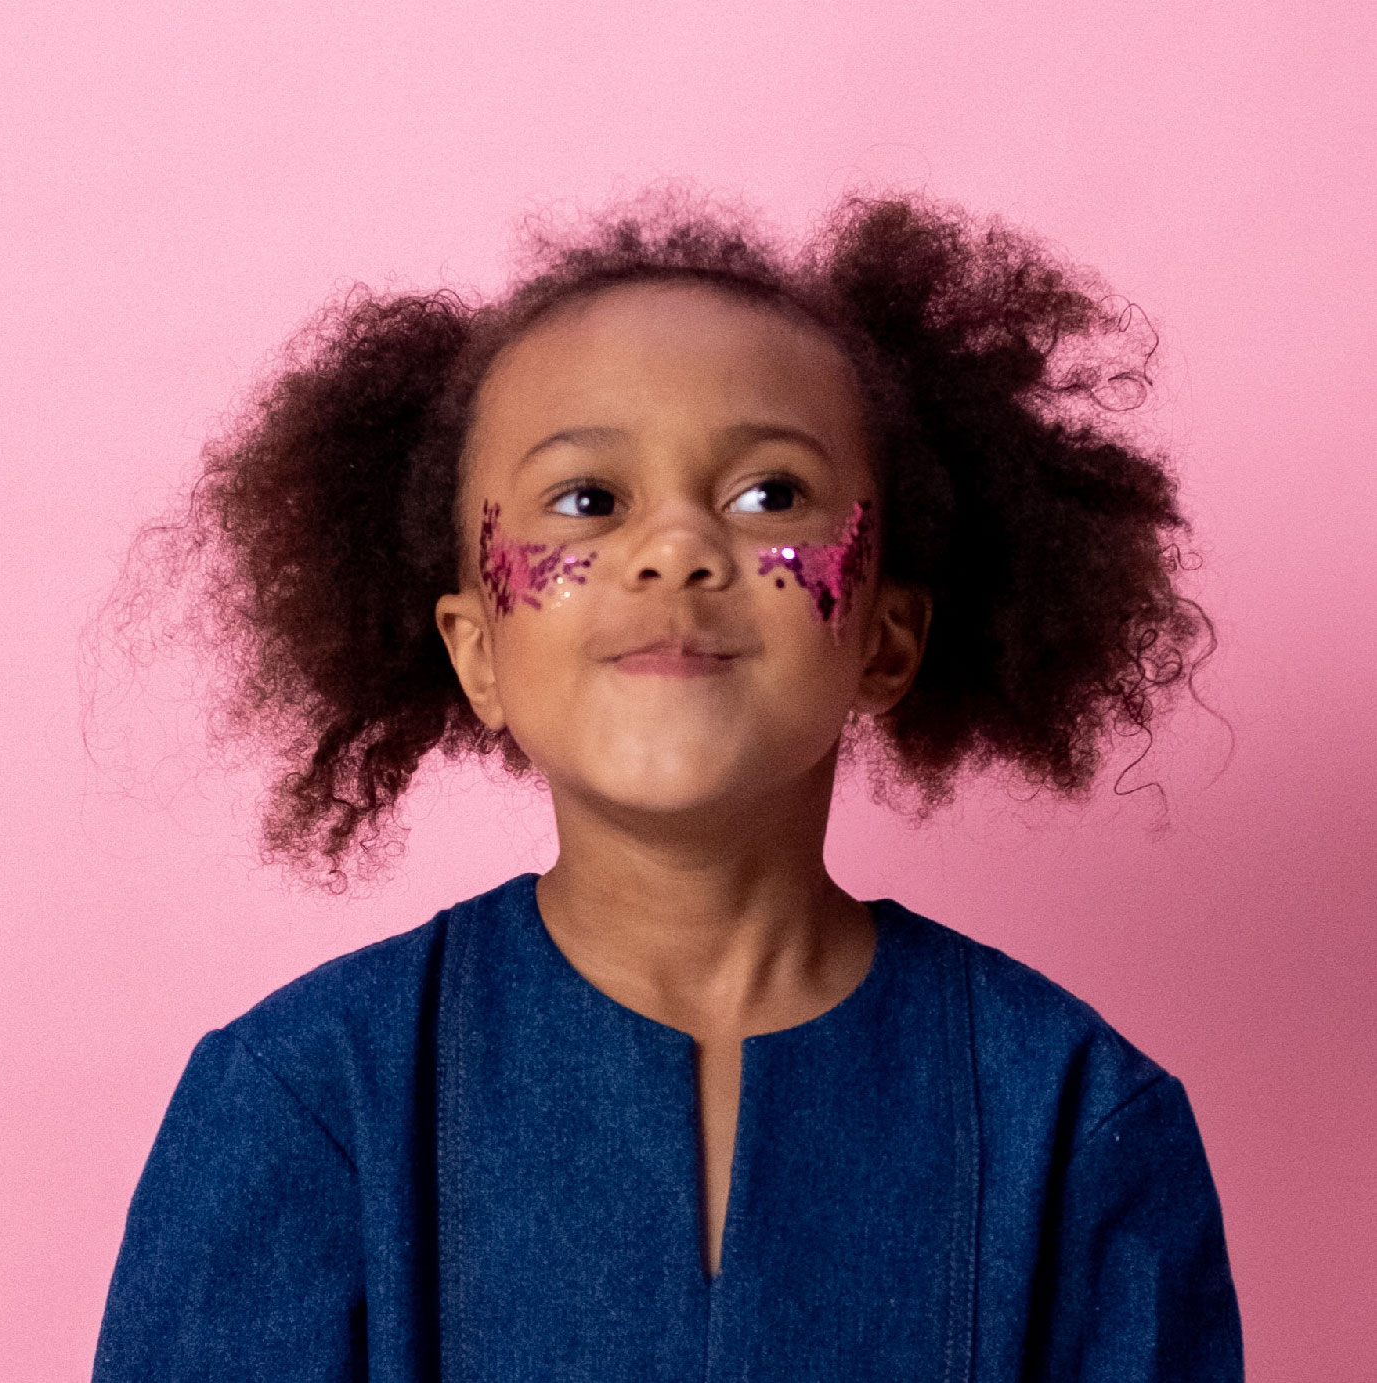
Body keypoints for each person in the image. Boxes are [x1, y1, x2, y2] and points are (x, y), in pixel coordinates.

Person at [91, 192, 1243, 1380]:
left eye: (769, 498)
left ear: (887, 641)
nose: (678, 545)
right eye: (587, 503)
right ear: (475, 650)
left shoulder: (1077, 1116)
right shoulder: (301, 1099)